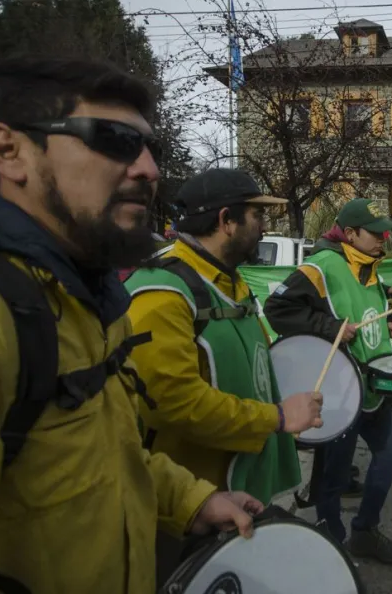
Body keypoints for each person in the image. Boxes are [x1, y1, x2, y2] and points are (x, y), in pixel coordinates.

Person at [0, 56, 259, 592]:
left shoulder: (82, 295)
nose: (149, 169)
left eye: (151, 148)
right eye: (115, 140)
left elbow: (103, 456)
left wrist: (192, 499)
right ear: (9, 151)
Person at [123, 169, 325, 583]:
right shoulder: (161, 291)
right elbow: (172, 403)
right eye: (257, 215)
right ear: (226, 221)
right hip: (187, 513)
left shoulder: (228, 282)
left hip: (237, 497)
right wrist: (277, 417)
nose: (264, 227)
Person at [264, 199, 392, 565]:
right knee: (333, 477)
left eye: (385, 232)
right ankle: (331, 540)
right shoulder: (321, 266)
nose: (383, 238)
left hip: (375, 386)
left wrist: (387, 318)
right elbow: (277, 309)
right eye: (375, 232)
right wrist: (330, 326)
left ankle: (364, 531)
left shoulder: (369, 265)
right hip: (340, 390)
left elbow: (364, 310)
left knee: (389, 459)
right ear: (350, 234)